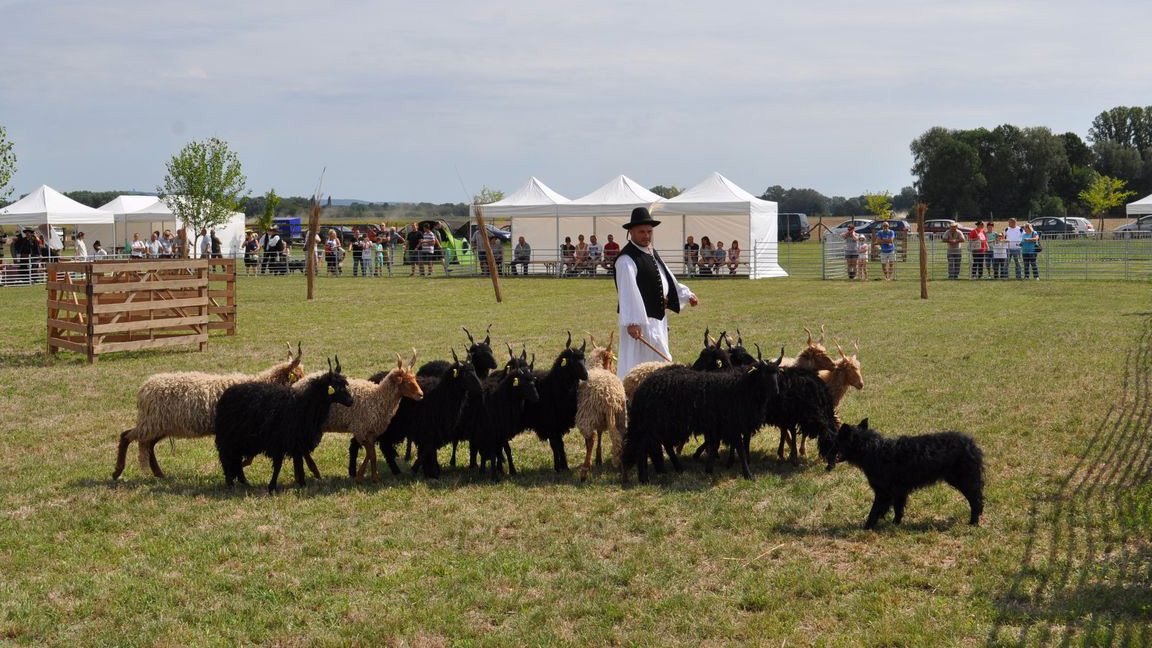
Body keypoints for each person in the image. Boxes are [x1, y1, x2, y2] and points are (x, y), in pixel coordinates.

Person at [613, 207, 699, 380]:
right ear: (631, 232)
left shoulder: (650, 251)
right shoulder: (626, 259)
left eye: (649, 232)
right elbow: (627, 292)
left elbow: (665, 276)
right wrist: (632, 322)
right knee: (638, 364)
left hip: (657, 320)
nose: (646, 236)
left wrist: (685, 293)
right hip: (641, 322)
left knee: (659, 360)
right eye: (641, 232)